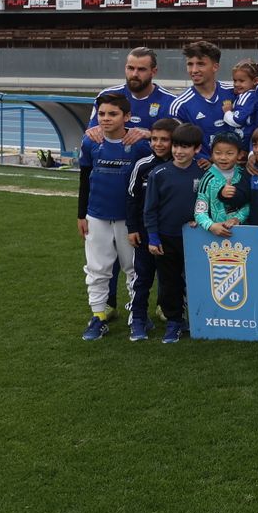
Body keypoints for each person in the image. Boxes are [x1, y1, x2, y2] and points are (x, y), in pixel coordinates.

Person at [76, 93, 150, 340]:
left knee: (133, 269)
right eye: (102, 114)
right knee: (97, 268)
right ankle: (98, 316)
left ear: (127, 117)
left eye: (112, 114)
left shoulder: (140, 145)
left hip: (128, 220)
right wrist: (81, 214)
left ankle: (137, 316)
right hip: (96, 215)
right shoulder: (90, 142)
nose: (106, 119)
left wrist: (147, 133)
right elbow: (85, 178)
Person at [143, 122, 206, 346]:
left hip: (194, 238)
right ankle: (174, 322)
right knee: (169, 282)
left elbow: (208, 203)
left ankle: (198, 319)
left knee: (195, 280)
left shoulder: (203, 173)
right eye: (176, 146)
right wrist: (153, 237)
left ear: (197, 149)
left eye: (186, 147)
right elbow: (150, 209)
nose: (179, 151)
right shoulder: (158, 174)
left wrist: (200, 220)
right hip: (166, 237)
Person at [125, 116, 178, 341]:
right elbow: (131, 198)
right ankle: (138, 319)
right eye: (154, 139)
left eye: (164, 139)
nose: (158, 144)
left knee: (172, 279)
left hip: (173, 235)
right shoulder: (143, 165)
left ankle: (174, 318)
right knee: (143, 278)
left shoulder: (183, 165)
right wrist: (132, 227)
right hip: (146, 234)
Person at [86, 47, 176, 144]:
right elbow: (92, 131)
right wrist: (94, 132)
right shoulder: (107, 95)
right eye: (130, 68)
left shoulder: (171, 102)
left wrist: (151, 135)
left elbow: (178, 141)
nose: (134, 74)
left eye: (141, 69)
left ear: (153, 72)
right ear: (125, 68)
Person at [168, 41, 230, 155]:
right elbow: (179, 145)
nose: (194, 70)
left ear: (215, 67)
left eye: (201, 64)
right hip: (202, 168)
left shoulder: (234, 92)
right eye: (190, 64)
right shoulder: (179, 105)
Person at [195, 132, 254, 236]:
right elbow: (200, 211)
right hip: (216, 236)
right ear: (211, 154)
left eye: (229, 153)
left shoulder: (243, 174)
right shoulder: (207, 179)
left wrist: (238, 219)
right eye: (218, 153)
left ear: (240, 154)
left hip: (244, 233)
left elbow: (250, 202)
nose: (223, 157)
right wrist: (211, 226)